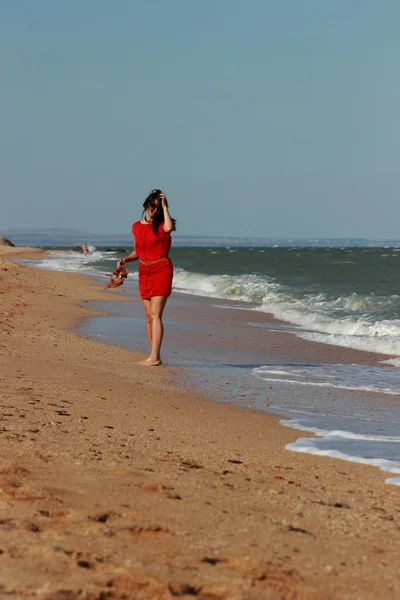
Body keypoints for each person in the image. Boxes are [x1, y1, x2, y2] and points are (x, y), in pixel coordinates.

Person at [117, 189, 176, 366]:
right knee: (148, 316)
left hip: (161, 269)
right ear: (146, 206)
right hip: (145, 271)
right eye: (152, 206)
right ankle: (153, 354)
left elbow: (169, 228)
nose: (154, 210)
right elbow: (139, 251)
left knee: (155, 314)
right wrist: (125, 259)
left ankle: (155, 357)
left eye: (158, 207)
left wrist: (165, 206)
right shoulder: (136, 227)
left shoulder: (162, 227)